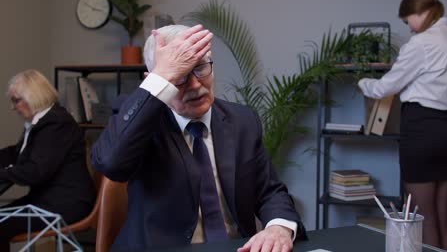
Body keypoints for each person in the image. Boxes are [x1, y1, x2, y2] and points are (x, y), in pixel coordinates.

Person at [91, 24, 306, 251]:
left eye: (201, 67)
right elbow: (109, 162)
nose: (195, 85)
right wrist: (162, 77)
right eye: (180, 76)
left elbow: (269, 192)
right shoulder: (139, 121)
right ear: (155, 78)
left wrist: (278, 228)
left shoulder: (242, 120)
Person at [358, 0, 447, 250]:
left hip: (422, 131)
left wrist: (362, 82)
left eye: (408, 20)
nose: (409, 27)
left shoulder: (421, 43)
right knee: (443, 217)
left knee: (424, 218)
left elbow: (386, 87)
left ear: (419, 13)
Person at [0, 70, 96, 250]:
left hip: (64, 205)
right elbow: (18, 153)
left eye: (16, 100)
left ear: (32, 97)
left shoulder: (55, 124)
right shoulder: (44, 121)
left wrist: (3, 173)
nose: (13, 107)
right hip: (48, 201)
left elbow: (35, 171)